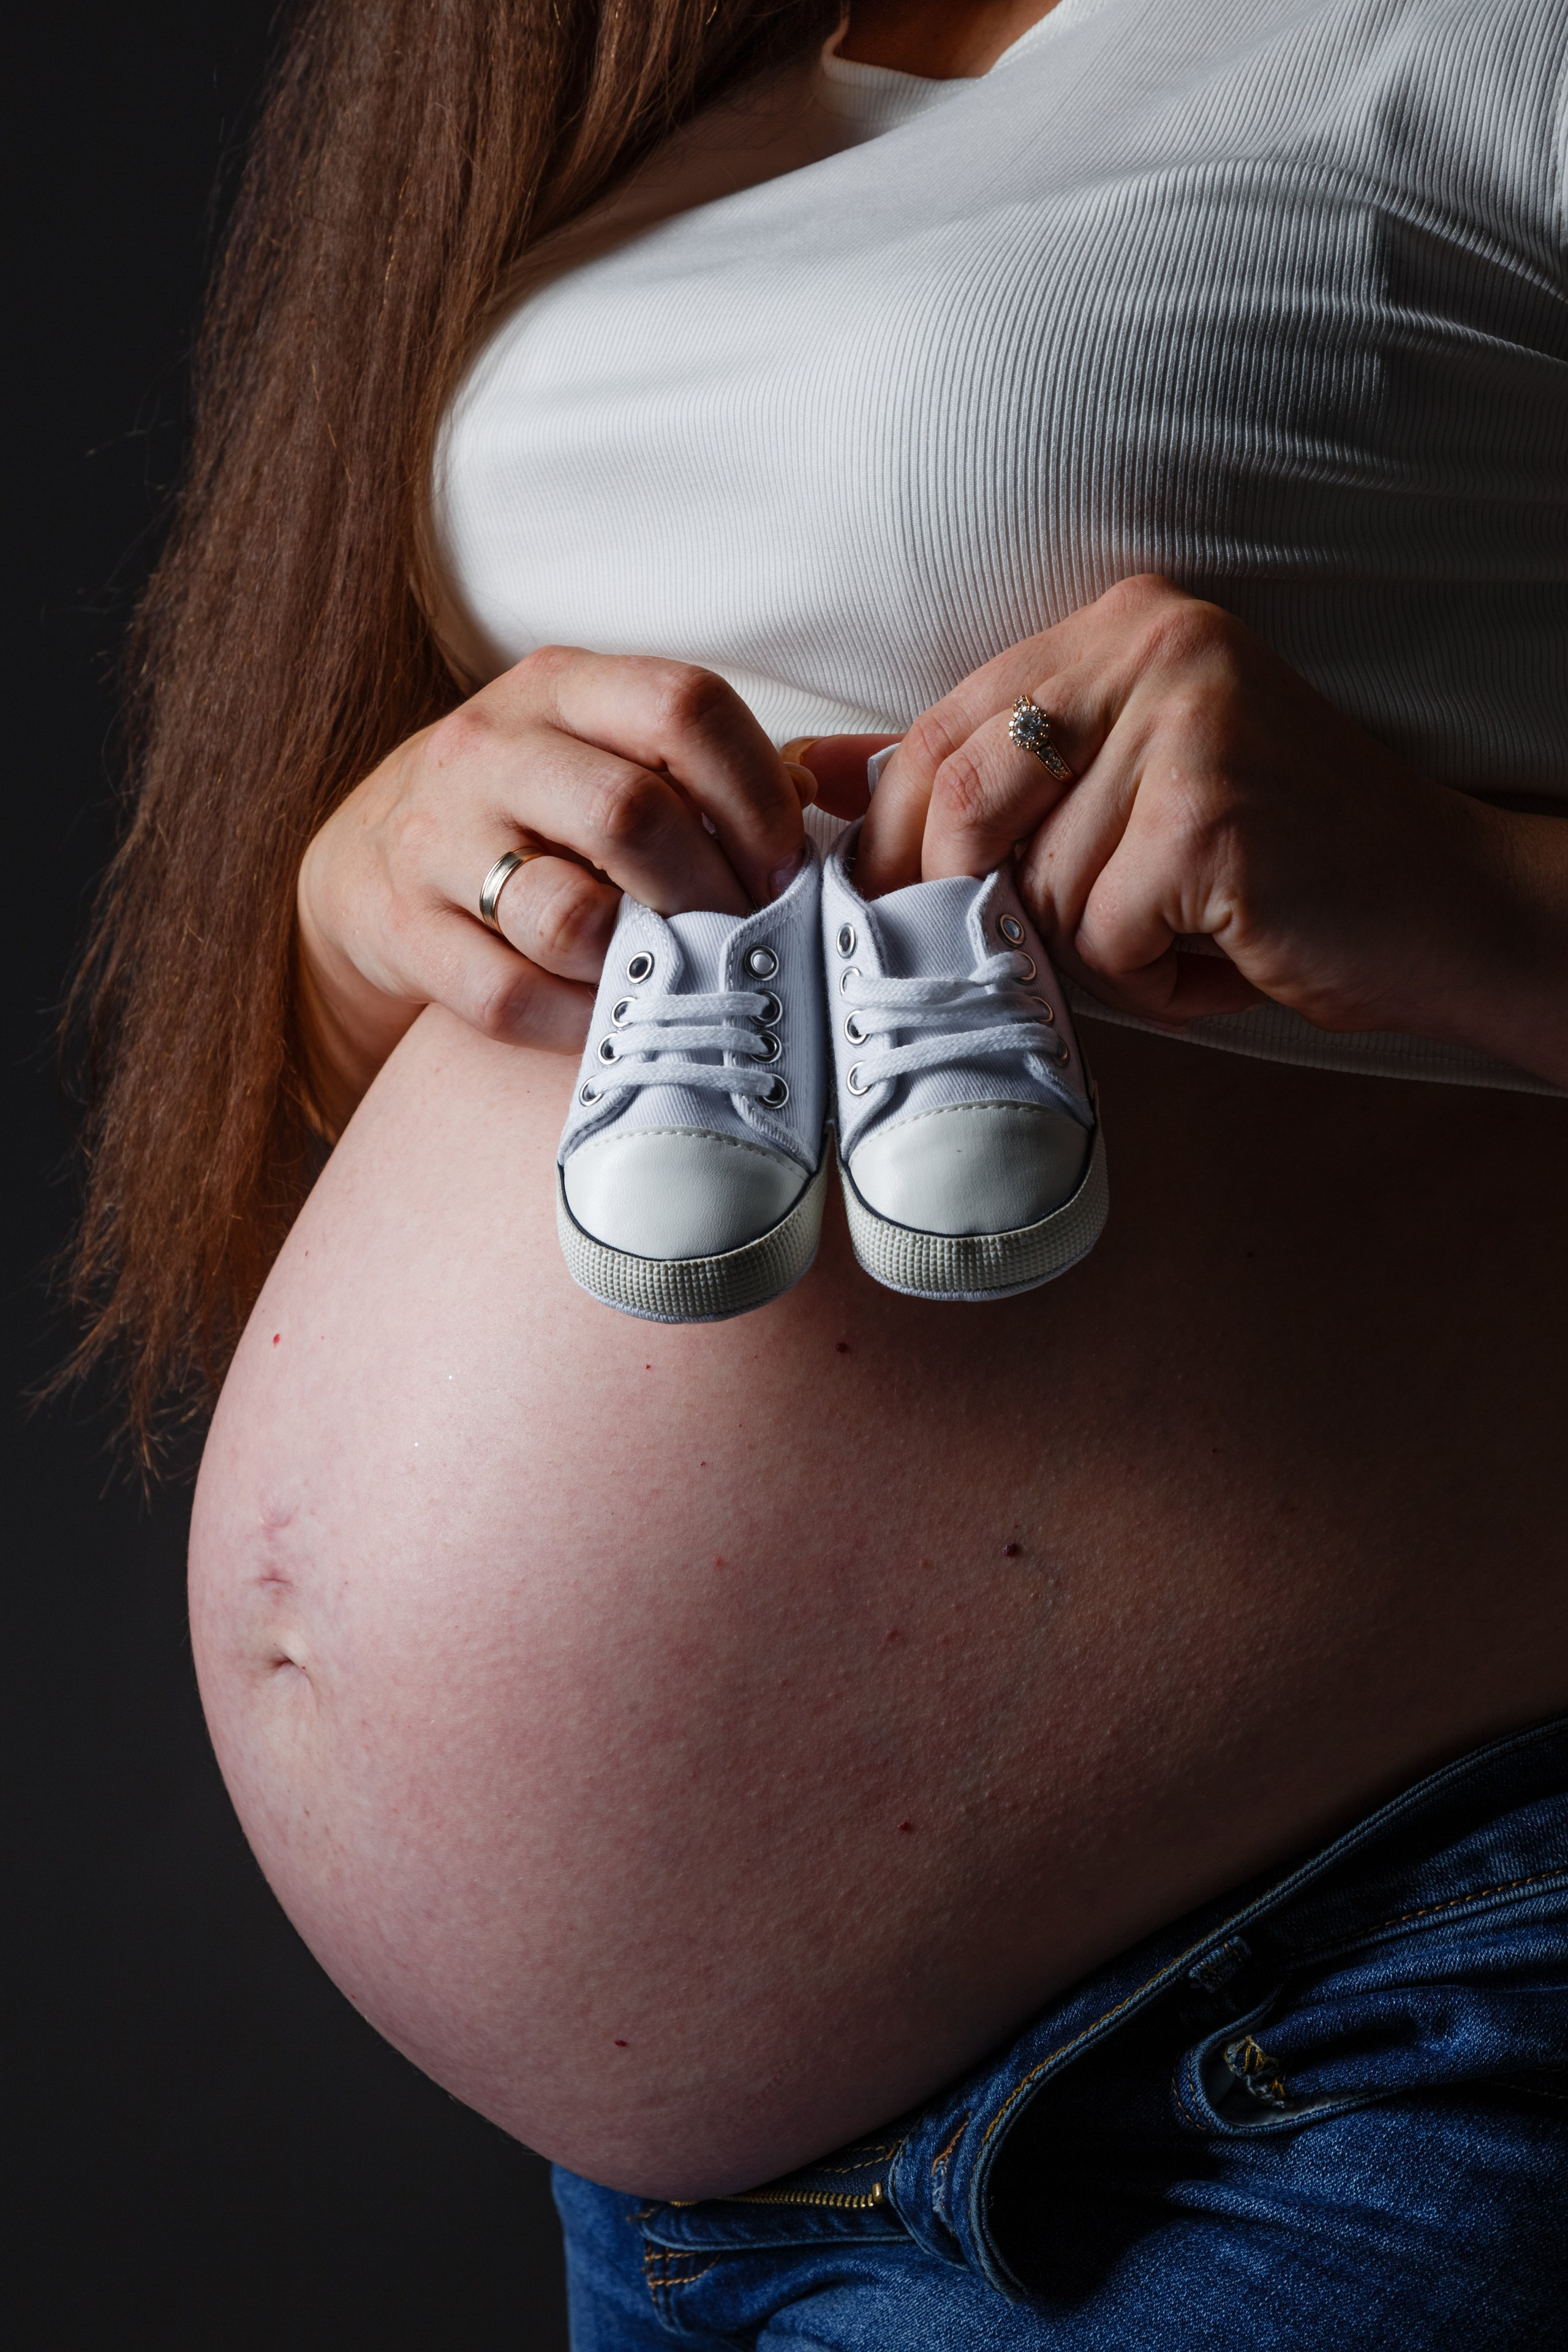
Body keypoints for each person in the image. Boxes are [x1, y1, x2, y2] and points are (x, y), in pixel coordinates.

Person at [75, 0, 1568, 2342]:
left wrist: (1467, 893)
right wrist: (378, 927)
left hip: (1309, 2043)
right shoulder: (615, 88)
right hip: (673, 2203)